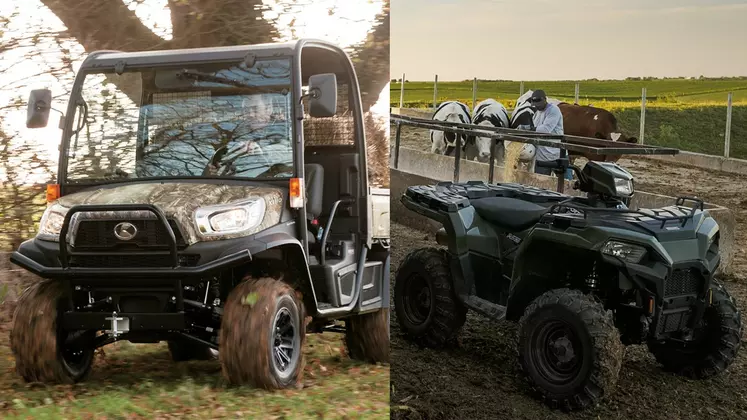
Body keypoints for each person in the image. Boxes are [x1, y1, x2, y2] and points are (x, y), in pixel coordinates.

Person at [525, 90, 564, 176]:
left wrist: (530, 129)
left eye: (539, 104)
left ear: (545, 100)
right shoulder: (537, 114)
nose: (537, 107)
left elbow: (546, 129)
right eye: (535, 105)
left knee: (564, 183)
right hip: (542, 155)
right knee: (540, 182)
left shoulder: (553, 110)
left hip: (556, 154)